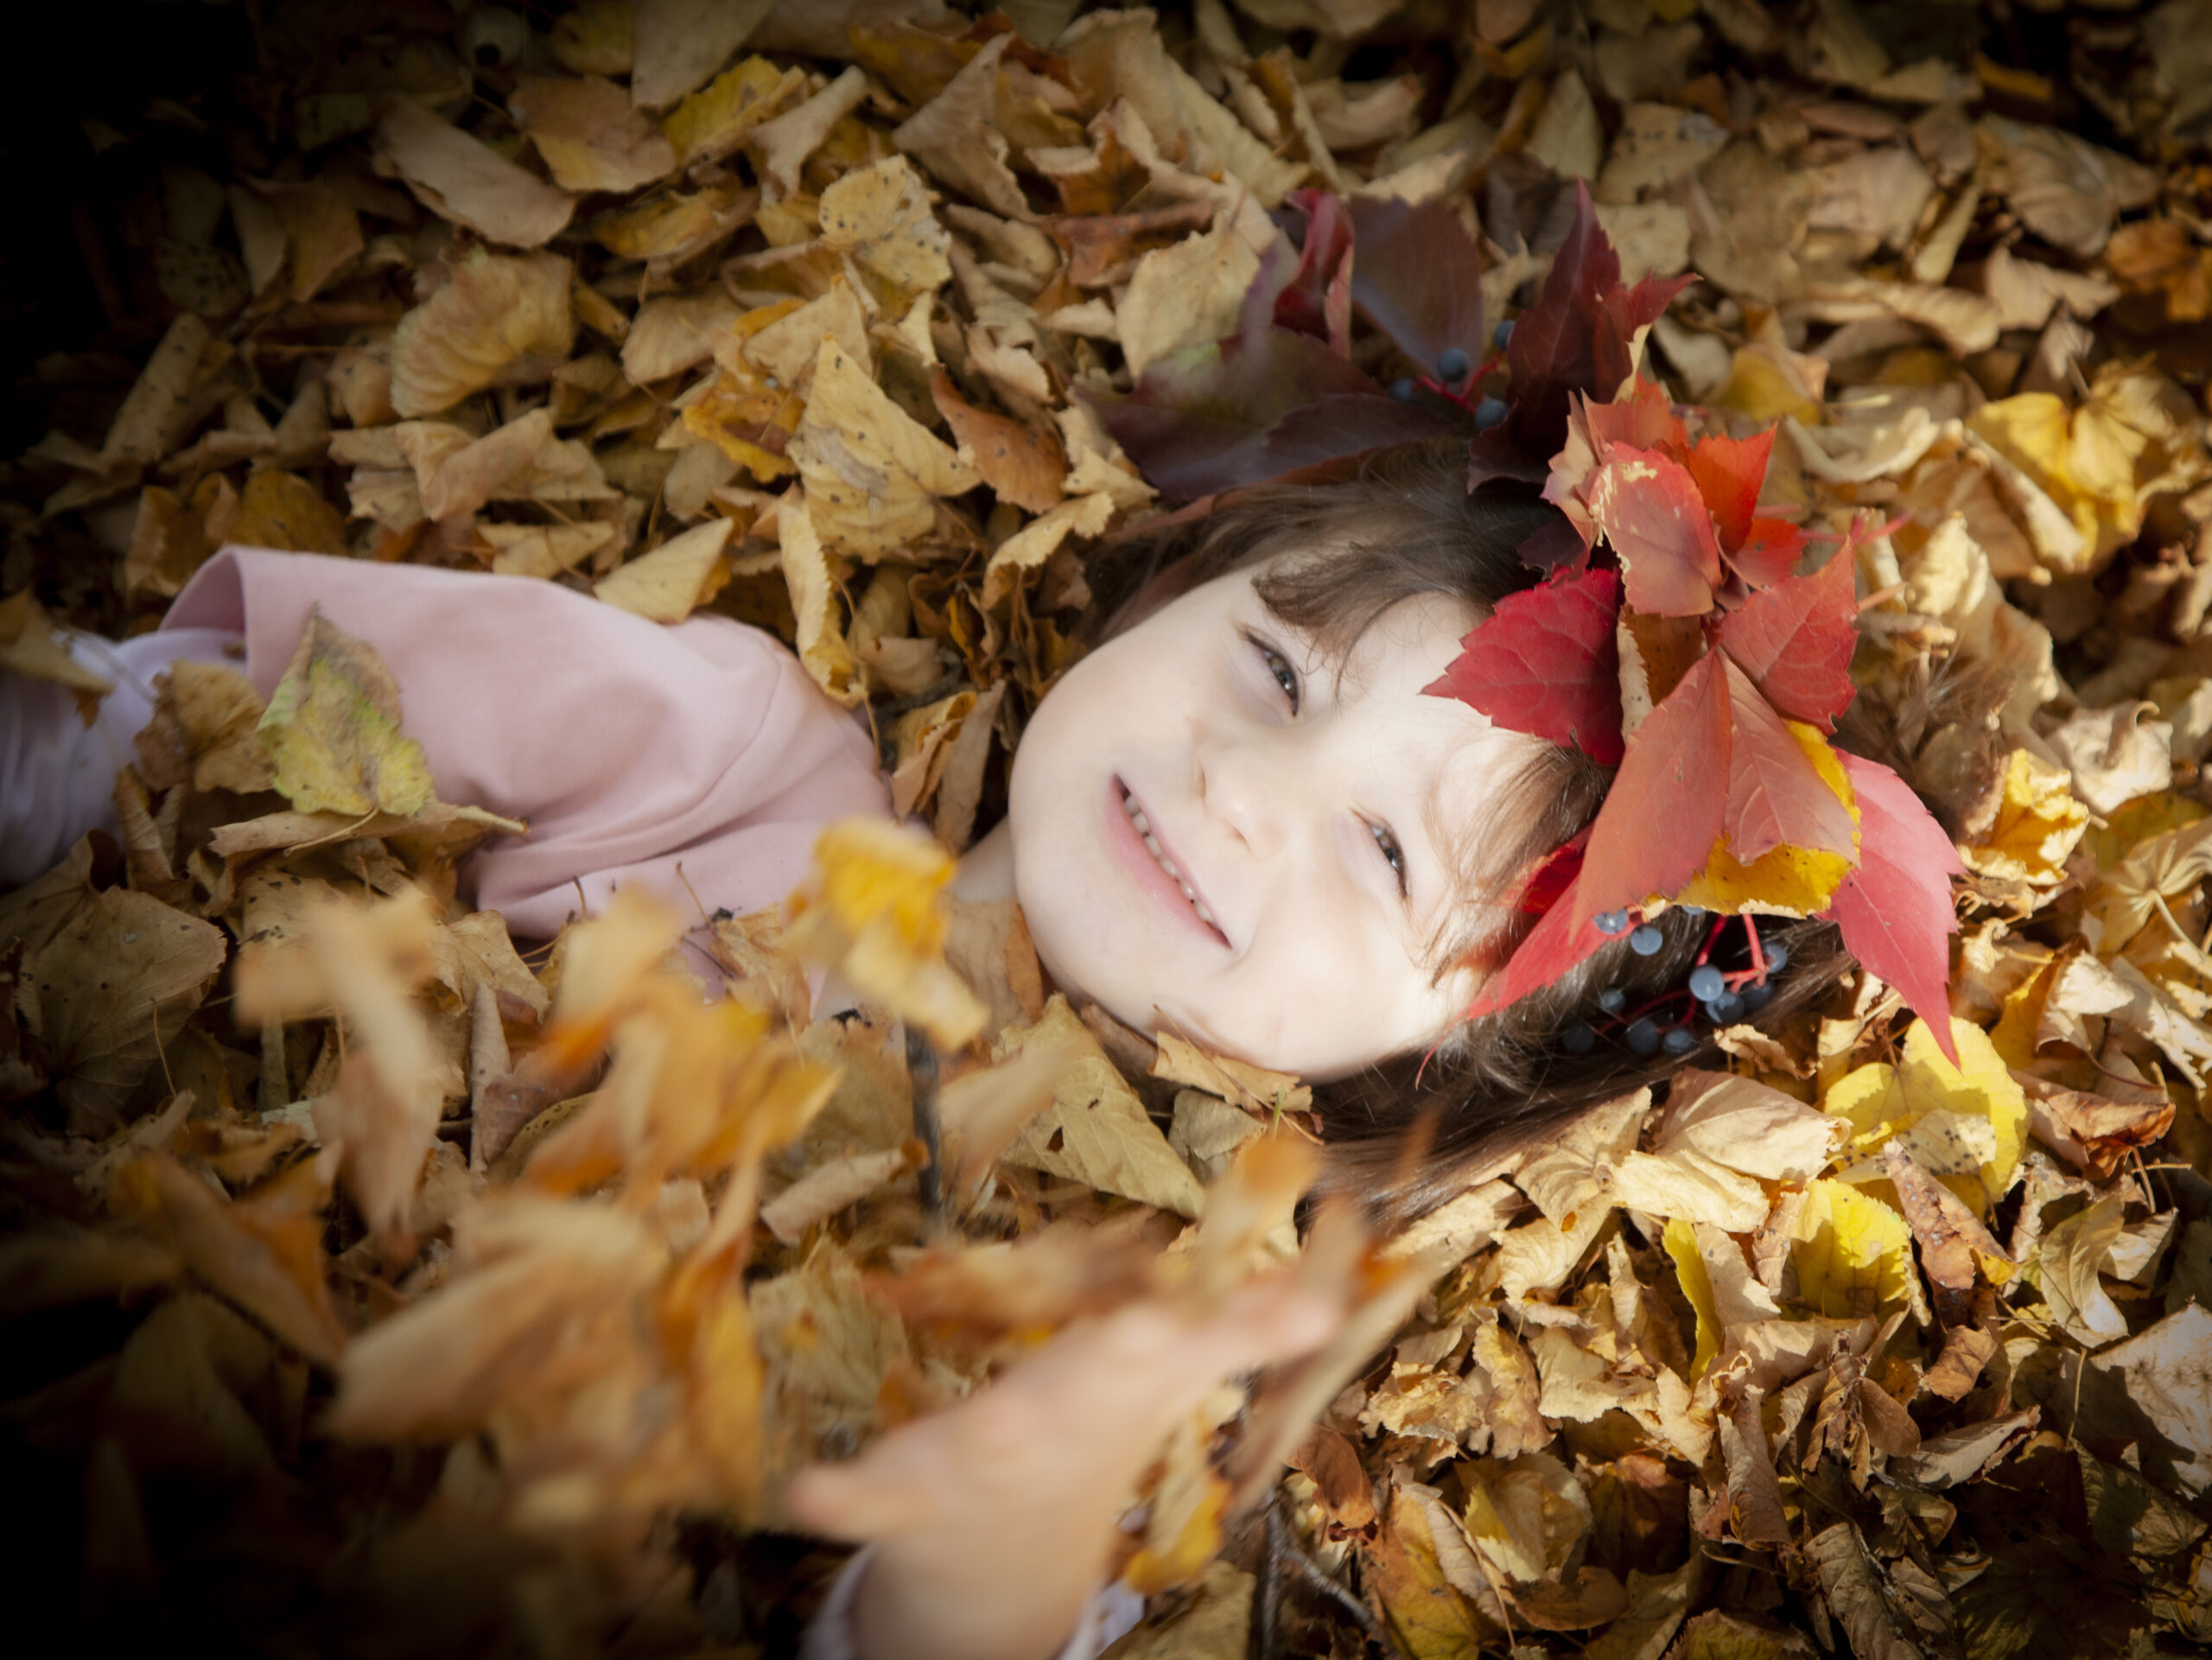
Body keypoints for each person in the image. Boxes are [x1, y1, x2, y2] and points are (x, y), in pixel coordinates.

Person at [0, 438, 1846, 1658]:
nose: (1242, 791)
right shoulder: (718, 752)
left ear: (1448, 1044)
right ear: (1159, 599)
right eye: (1275, 676)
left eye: (1380, 856)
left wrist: (1015, 1511)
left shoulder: (1128, 1320)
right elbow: (151, 729)